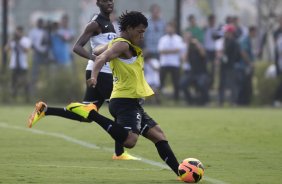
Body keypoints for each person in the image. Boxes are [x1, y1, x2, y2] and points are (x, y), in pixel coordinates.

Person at [66, 11, 180, 177]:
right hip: (124, 101)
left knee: (159, 135)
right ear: (128, 28)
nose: (142, 36)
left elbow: (98, 50)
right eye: (140, 32)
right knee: (130, 141)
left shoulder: (120, 43)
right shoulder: (123, 45)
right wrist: (94, 77)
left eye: (144, 32)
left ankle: (180, 172)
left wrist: (102, 47)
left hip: (132, 102)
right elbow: (100, 58)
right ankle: (91, 113)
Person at [28, 0, 138, 161]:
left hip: (106, 73)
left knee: (85, 116)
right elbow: (77, 47)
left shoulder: (112, 23)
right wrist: (96, 58)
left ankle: (45, 110)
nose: (109, 3)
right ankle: (119, 152)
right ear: (98, 3)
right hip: (99, 73)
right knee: (118, 108)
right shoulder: (95, 24)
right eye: (105, 1)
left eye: (111, 1)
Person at [158, 22, 184, 103]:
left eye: (171, 28)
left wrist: (167, 51)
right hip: (164, 63)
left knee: (176, 83)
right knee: (161, 82)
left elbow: (179, 50)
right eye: (168, 28)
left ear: (174, 29)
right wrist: (173, 50)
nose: (170, 29)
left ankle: (176, 99)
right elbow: (161, 51)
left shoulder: (178, 39)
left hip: (174, 64)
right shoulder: (163, 39)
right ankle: (159, 99)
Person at [5, 26, 31, 102]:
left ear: (21, 32)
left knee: (25, 82)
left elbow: (26, 50)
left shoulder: (25, 40)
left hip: (23, 65)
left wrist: (19, 43)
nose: (17, 34)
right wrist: (10, 41)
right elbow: (6, 49)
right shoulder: (13, 41)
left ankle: (27, 98)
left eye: (18, 32)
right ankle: (13, 98)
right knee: (13, 83)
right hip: (14, 65)